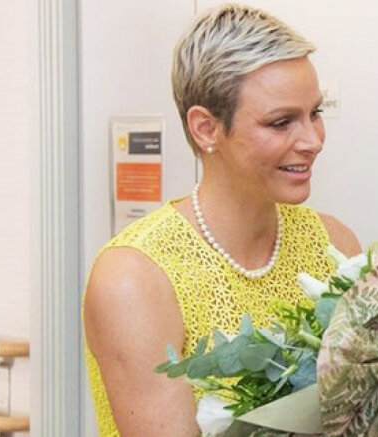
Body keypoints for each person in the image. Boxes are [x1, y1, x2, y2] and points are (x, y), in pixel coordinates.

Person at [83, 4, 361, 436]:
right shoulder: (134, 279)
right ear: (206, 128)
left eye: (315, 113)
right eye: (281, 121)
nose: (312, 140)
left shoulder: (335, 243)